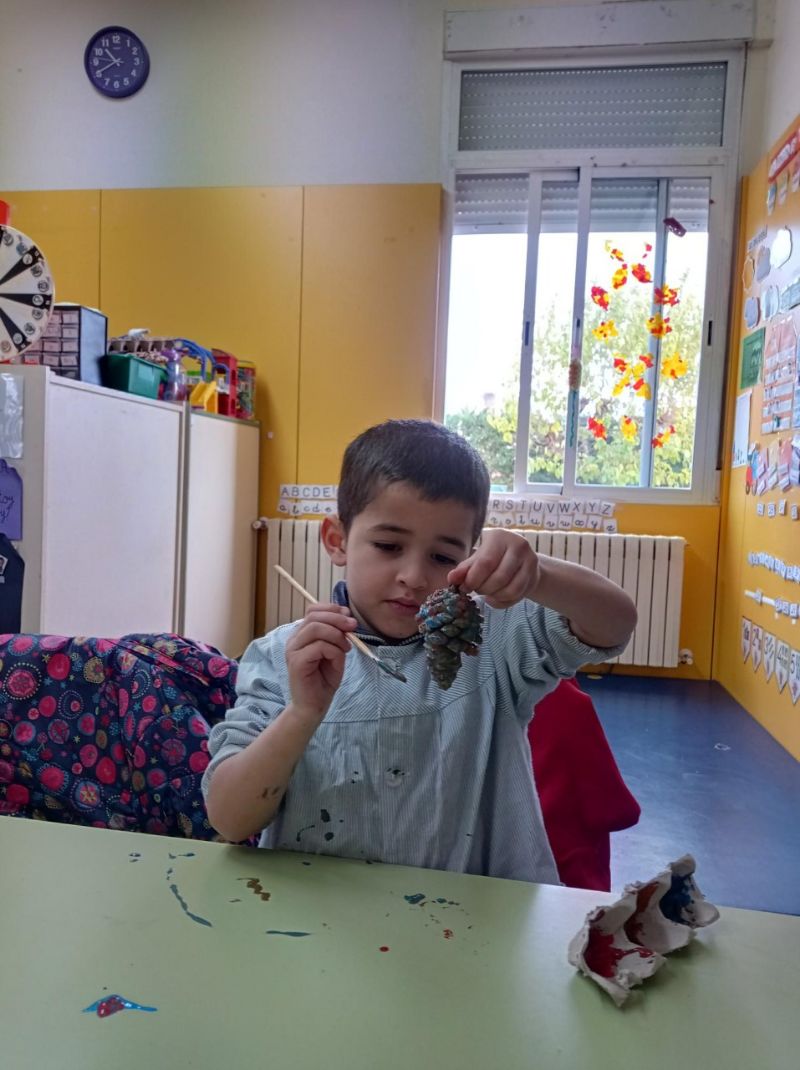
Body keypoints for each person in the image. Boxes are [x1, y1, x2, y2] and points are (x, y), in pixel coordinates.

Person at [203, 420, 637, 883]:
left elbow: (615, 623)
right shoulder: (280, 658)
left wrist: (537, 575)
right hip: (323, 915)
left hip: (481, 914)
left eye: (443, 557)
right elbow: (230, 819)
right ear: (337, 540)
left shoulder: (493, 638)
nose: (413, 576)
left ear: (470, 557)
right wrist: (302, 713)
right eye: (389, 546)